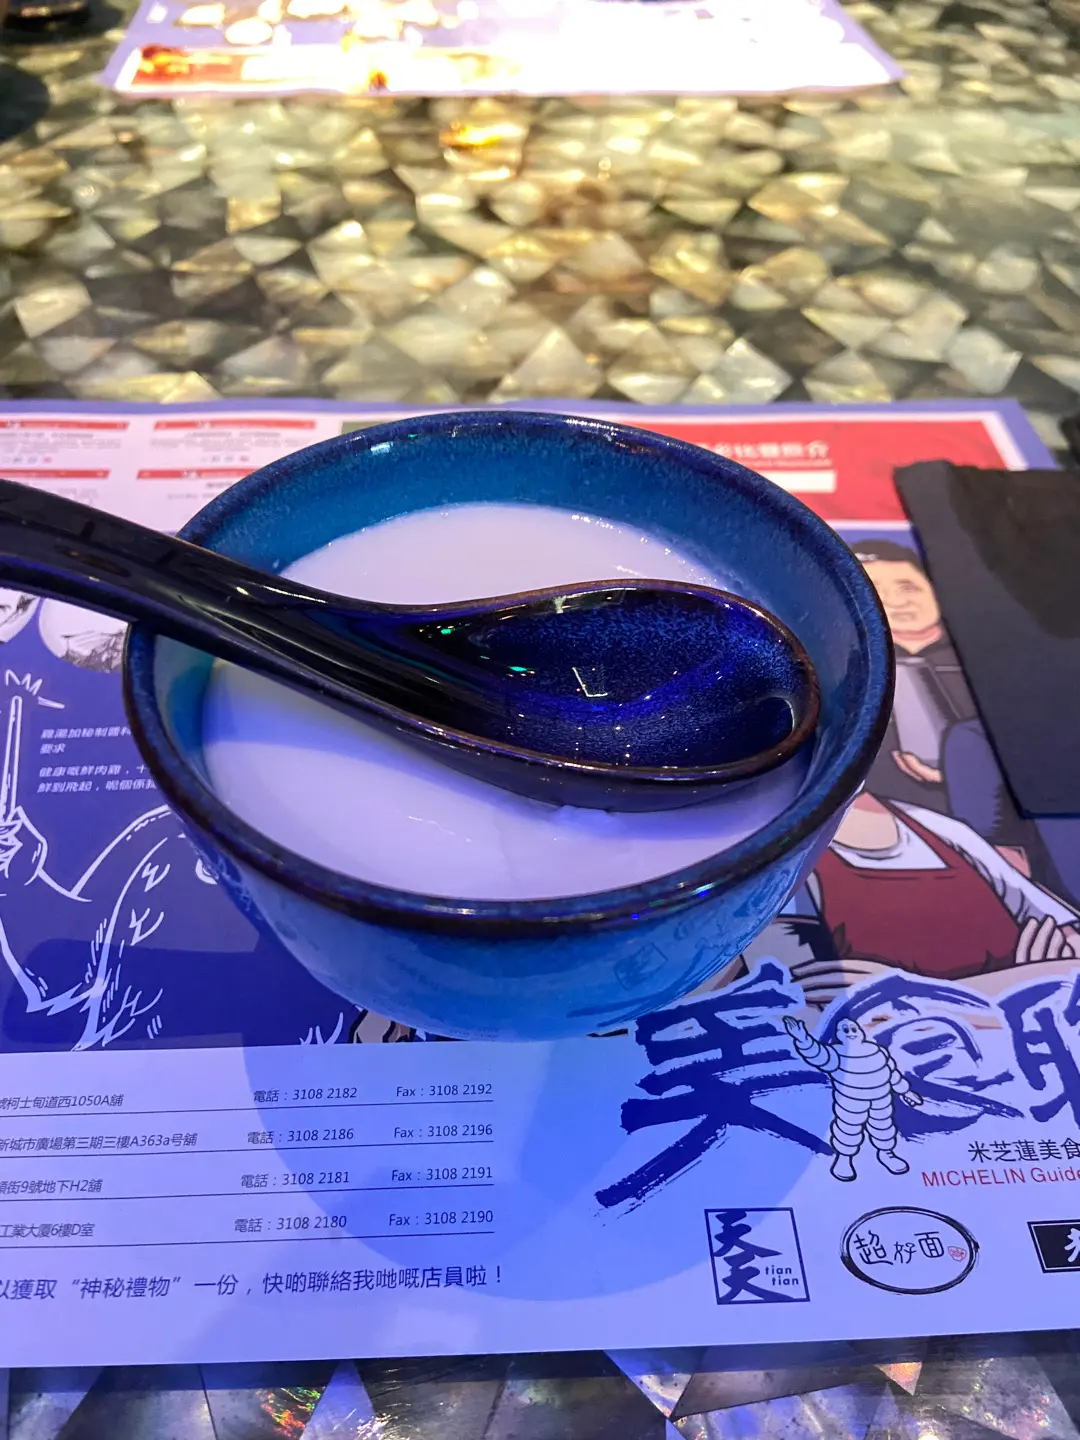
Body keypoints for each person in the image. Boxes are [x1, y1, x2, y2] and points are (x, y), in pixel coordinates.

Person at [783, 788, 1080, 1006]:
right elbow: (802, 1001)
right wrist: (1030, 979)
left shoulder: (942, 830)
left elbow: (1071, 947)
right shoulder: (787, 864)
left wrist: (911, 993)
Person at [852, 539, 976, 811]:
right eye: (875, 591)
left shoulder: (983, 658)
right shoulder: (848, 673)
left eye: (907, 587)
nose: (896, 602)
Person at [783, 1014, 922, 1181]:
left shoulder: (877, 1052)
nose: (850, 1033)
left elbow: (892, 1074)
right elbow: (818, 1054)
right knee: (848, 1129)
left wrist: (905, 1092)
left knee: (884, 1127)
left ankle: (887, 1153)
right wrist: (803, 1039)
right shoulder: (837, 1054)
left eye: (853, 1029)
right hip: (851, 1103)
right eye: (845, 1030)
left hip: (881, 1100)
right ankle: (844, 1158)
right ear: (839, 1035)